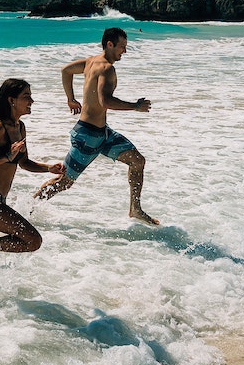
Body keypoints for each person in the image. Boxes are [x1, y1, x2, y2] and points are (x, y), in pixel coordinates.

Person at [34, 26, 158, 224]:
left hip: (102, 134)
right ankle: (28, 211)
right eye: (122, 47)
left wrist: (70, 99)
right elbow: (105, 101)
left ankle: (135, 209)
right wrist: (135, 106)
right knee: (63, 182)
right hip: (87, 137)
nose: (124, 51)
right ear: (110, 44)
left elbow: (66, 71)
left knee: (137, 161)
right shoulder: (107, 69)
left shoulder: (91, 61)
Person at [0, 78, 64, 280]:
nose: (31, 101)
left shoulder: (20, 127)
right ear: (11, 100)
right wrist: (6, 157)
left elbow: (24, 163)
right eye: (26, 96)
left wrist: (48, 168)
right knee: (33, 241)